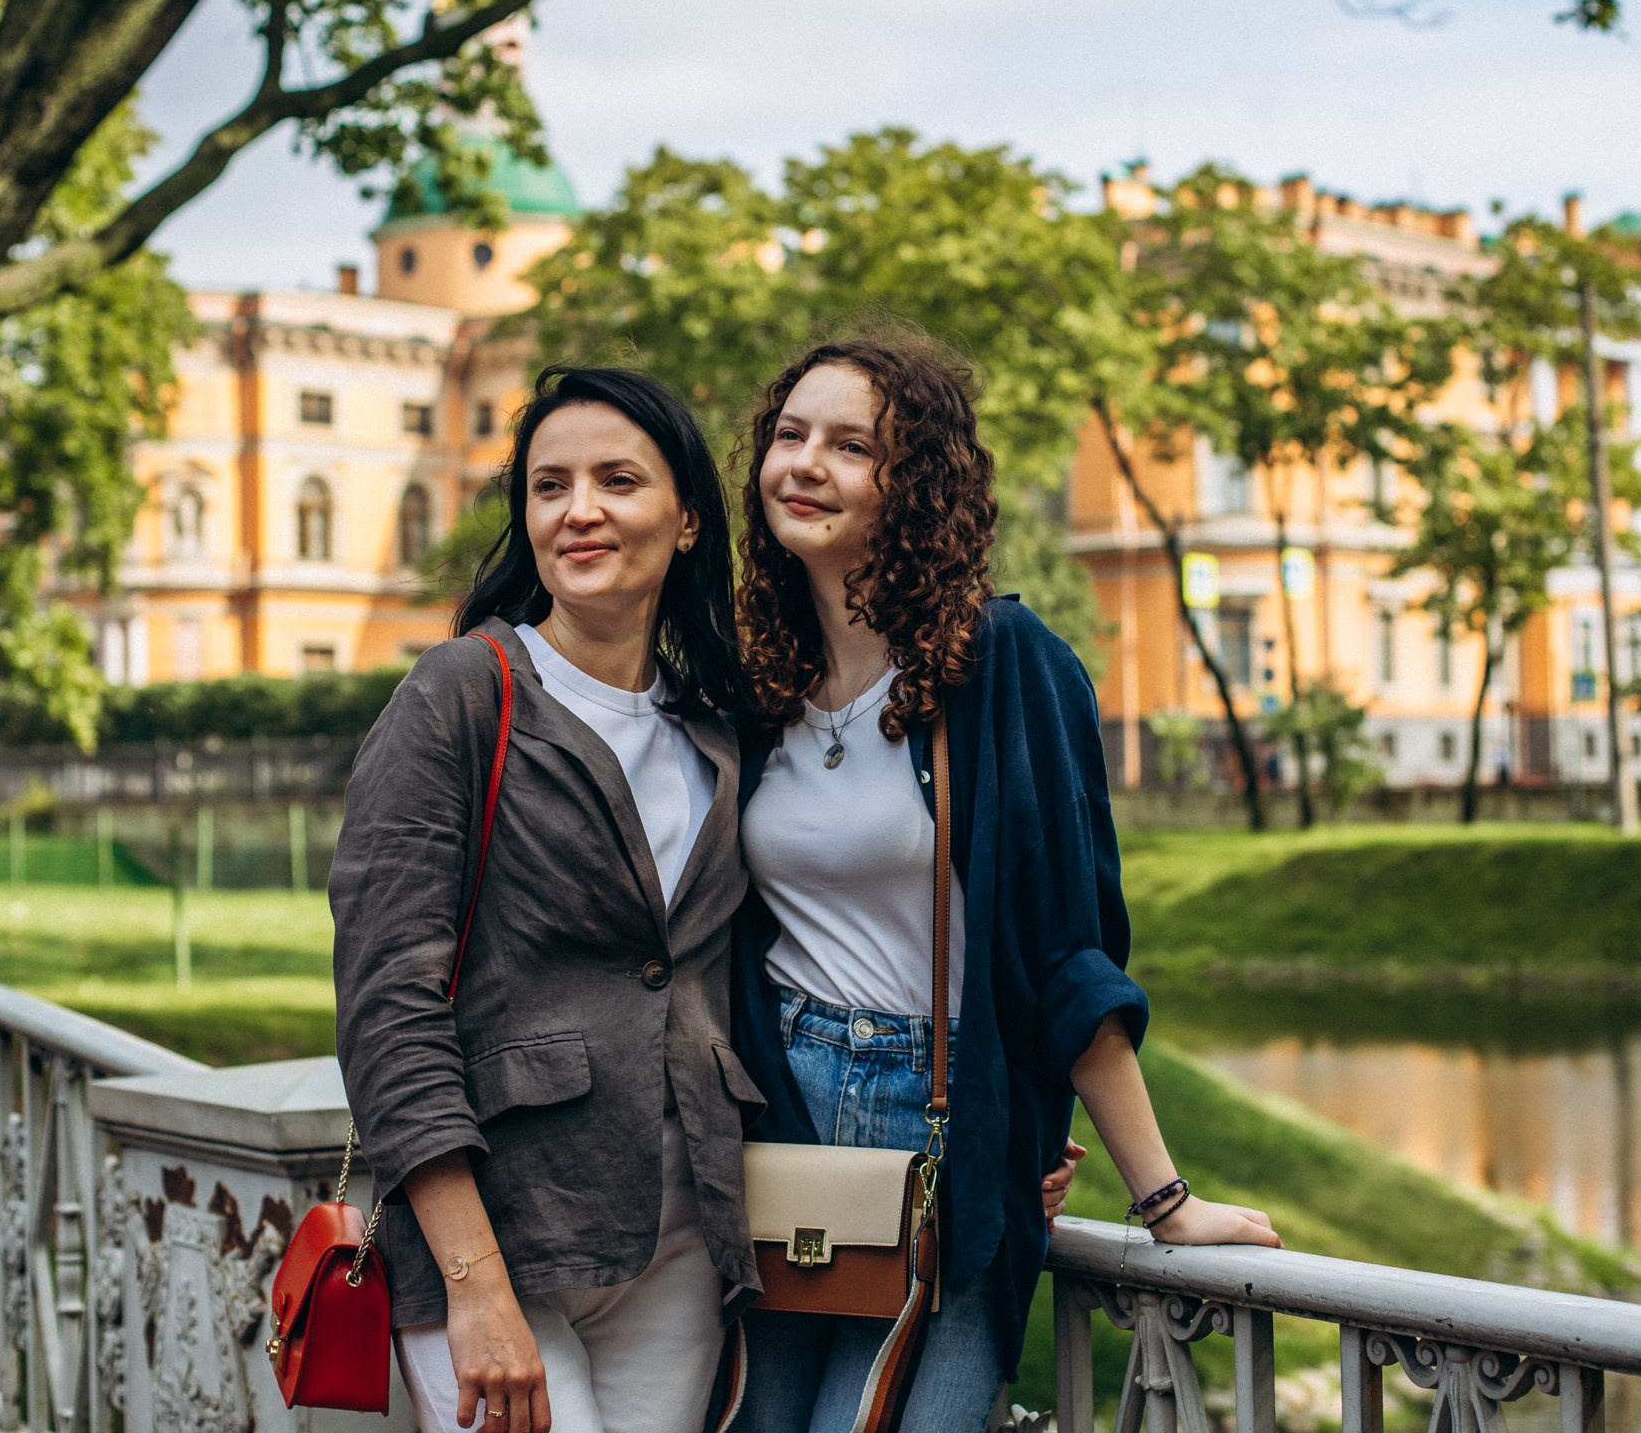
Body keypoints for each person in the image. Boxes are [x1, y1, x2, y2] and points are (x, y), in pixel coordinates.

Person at [728, 332, 1283, 1433]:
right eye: (789, 435)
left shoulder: (1004, 665)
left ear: (913, 481)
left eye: (849, 445)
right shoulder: (758, 674)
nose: (804, 463)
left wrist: (1163, 1200)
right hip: (772, 1128)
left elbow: (1065, 957)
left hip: (935, 1128)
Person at [331, 367, 765, 1433]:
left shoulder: (715, 727)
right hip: (496, 1239)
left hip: (676, 1244)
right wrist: (476, 1288)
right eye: (548, 485)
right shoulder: (461, 694)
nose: (578, 511)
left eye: (618, 480)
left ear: (690, 518)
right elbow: (389, 1003)